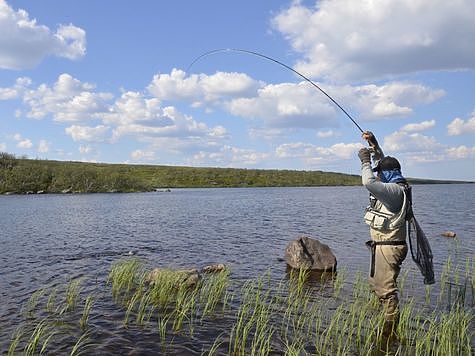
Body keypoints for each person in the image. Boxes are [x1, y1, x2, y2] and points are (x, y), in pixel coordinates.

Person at [358, 131, 409, 336]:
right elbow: (384, 163)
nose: (378, 174)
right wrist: (375, 144)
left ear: (387, 174)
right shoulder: (395, 182)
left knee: (386, 290)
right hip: (382, 247)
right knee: (376, 285)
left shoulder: (395, 191)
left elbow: (368, 182)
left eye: (380, 172)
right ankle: (387, 321)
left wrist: (364, 162)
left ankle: (390, 331)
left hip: (389, 248)